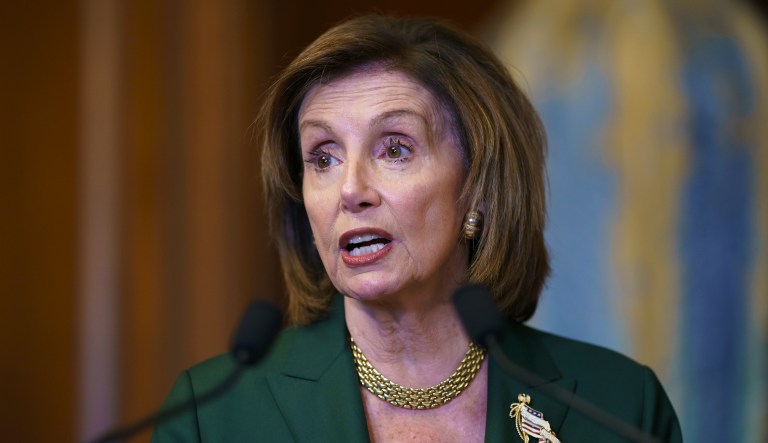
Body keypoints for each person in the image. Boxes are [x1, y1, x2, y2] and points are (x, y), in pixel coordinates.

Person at [152, 15, 682, 442]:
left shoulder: (617, 407)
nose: (349, 189)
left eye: (395, 149)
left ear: (477, 185)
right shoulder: (216, 414)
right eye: (323, 156)